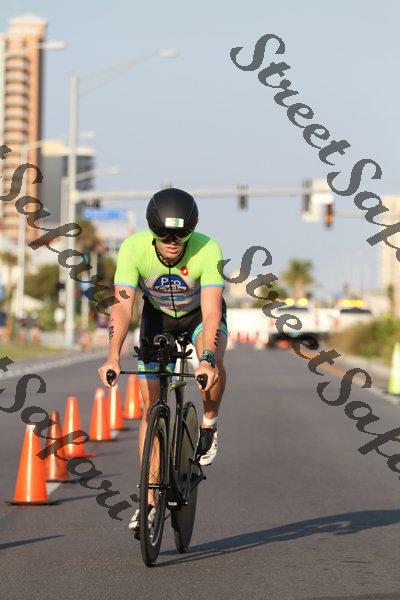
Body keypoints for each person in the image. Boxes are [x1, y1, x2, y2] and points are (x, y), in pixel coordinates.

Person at [98, 188, 227, 533]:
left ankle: (209, 424)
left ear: (191, 231)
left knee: (212, 365)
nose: (172, 242)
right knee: (150, 406)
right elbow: (122, 306)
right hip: (158, 318)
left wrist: (207, 359)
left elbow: (211, 312)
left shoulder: (208, 248)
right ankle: (149, 501)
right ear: (152, 231)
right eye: (164, 234)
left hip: (198, 316)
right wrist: (112, 356)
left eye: (180, 235)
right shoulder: (133, 248)